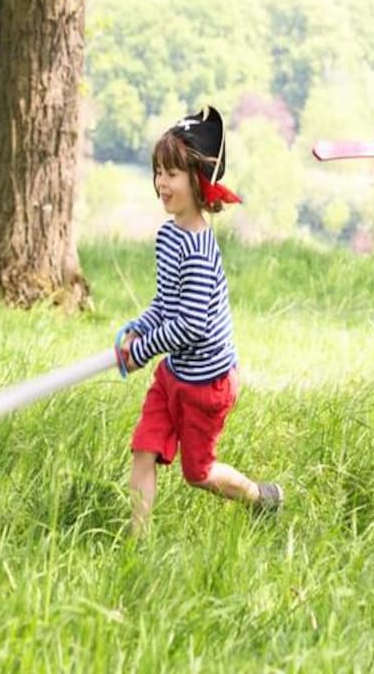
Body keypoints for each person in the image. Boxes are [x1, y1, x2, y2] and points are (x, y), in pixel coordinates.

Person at [119, 106, 283, 536]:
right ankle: (137, 543)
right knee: (144, 449)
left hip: (207, 385)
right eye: (158, 171)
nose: (161, 183)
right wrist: (138, 327)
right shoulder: (168, 235)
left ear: (198, 180)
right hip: (173, 373)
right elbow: (165, 302)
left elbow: (189, 326)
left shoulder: (198, 249)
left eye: (172, 173)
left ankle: (260, 497)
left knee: (198, 472)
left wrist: (141, 351)